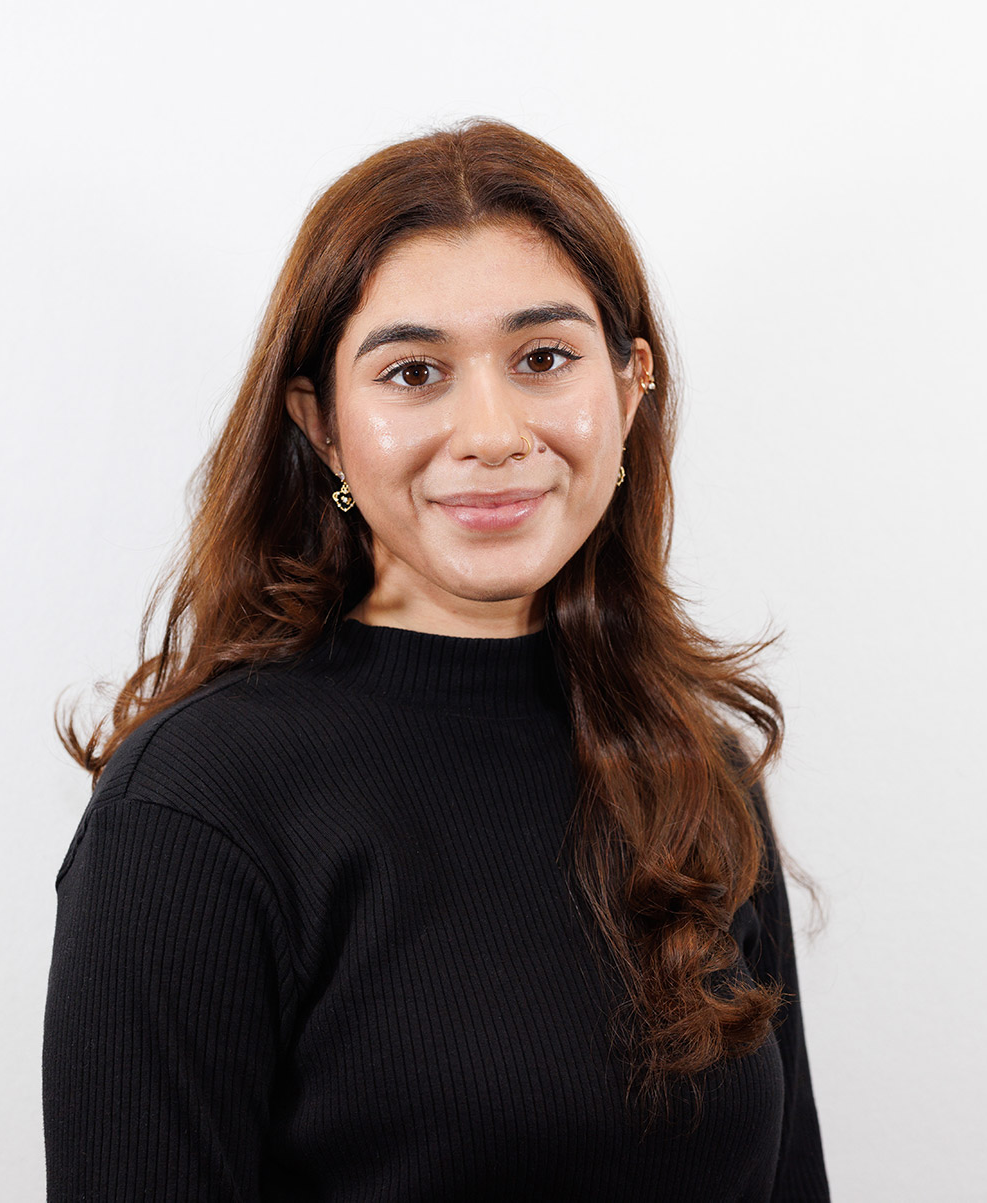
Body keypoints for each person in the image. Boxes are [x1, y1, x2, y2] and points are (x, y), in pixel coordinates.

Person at [42, 117, 830, 1201]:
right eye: (414, 373)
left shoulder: (695, 763)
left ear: (629, 383)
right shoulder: (194, 809)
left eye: (543, 358)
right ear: (322, 426)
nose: (493, 432)